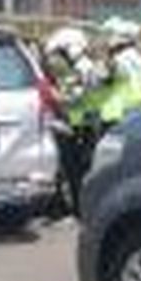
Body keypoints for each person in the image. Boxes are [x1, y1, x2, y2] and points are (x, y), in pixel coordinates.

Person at [43, 26, 105, 216]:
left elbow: (76, 97)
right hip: (81, 124)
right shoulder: (83, 66)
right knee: (75, 171)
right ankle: (76, 209)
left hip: (80, 126)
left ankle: (79, 211)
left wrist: (54, 96)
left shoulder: (82, 68)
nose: (59, 58)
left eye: (61, 52)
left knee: (76, 171)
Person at [99, 16, 141, 123]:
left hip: (121, 113)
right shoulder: (137, 57)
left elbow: (105, 77)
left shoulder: (121, 59)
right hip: (137, 108)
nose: (106, 41)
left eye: (109, 36)